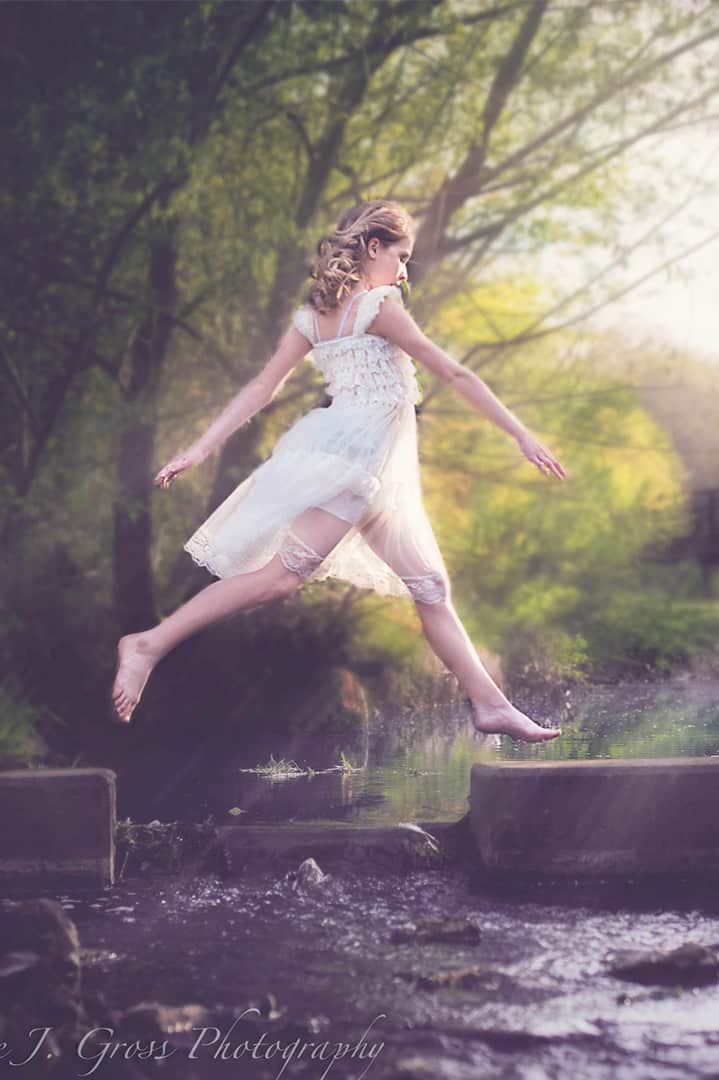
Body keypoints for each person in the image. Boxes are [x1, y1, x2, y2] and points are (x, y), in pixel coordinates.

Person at [111, 200, 567, 740]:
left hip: (368, 468)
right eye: (401, 257)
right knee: (279, 579)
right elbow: (453, 371)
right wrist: (520, 433)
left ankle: (490, 706)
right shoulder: (380, 305)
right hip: (355, 464)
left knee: (431, 587)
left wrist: (202, 448)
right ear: (373, 248)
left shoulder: (315, 315)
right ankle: (148, 644)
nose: (403, 271)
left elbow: (261, 388)